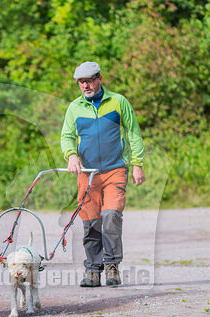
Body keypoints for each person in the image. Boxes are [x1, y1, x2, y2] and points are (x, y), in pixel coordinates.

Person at [60, 62, 145, 287]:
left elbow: (133, 133)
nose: (85, 86)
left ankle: (112, 266)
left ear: (100, 78)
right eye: (81, 82)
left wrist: (137, 164)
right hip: (86, 174)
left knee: (111, 217)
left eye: (88, 80)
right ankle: (93, 270)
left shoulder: (118, 102)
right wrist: (70, 155)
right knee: (91, 222)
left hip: (114, 169)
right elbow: (67, 136)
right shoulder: (74, 108)